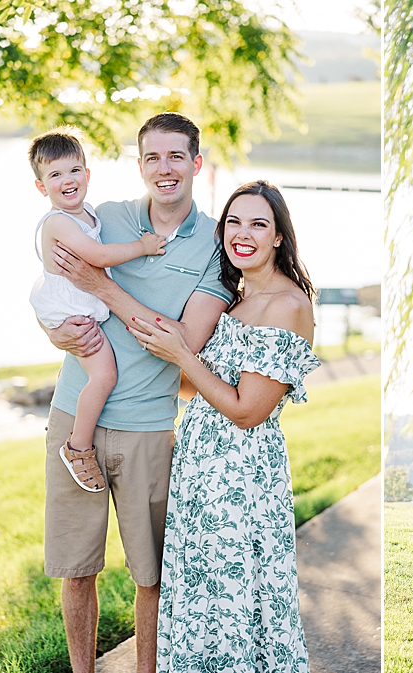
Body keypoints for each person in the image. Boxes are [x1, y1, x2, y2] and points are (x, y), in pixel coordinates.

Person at [42, 112, 233, 673]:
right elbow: (57, 286)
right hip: (74, 413)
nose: (164, 168)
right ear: (140, 163)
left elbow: (180, 344)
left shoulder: (216, 249)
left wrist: (102, 287)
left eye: (176, 156)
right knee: (78, 569)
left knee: (150, 573)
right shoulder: (106, 219)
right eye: (152, 157)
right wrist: (50, 327)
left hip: (148, 427)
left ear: (196, 164)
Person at [127, 180, 319, 672]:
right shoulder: (233, 302)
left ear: (279, 237)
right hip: (199, 472)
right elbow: (201, 388)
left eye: (259, 224)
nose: (243, 233)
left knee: (236, 597)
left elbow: (246, 410)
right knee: (202, 595)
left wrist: (182, 354)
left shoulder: (288, 305)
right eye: (234, 221)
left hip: (241, 478)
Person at [28, 126, 167, 493]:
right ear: (42, 188)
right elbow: (99, 256)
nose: (67, 180)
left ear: (87, 175)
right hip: (71, 315)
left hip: (81, 307)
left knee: (104, 374)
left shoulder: (87, 213)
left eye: (74, 170)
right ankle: (78, 448)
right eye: (55, 175)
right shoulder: (58, 222)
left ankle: (79, 444)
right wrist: (144, 246)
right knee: (104, 376)